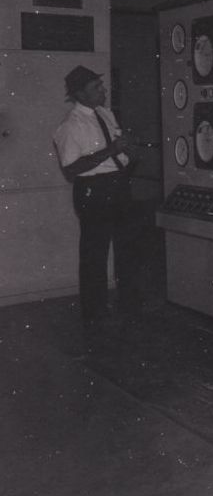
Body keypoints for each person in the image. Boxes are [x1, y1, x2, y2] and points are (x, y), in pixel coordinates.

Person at [53, 66, 139, 323]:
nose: (103, 90)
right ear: (79, 94)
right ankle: (95, 312)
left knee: (127, 246)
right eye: (96, 88)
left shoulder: (105, 114)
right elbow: (71, 169)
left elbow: (119, 148)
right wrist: (110, 150)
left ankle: (130, 303)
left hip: (118, 185)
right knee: (94, 253)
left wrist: (129, 153)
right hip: (93, 191)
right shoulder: (69, 126)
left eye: (101, 85)